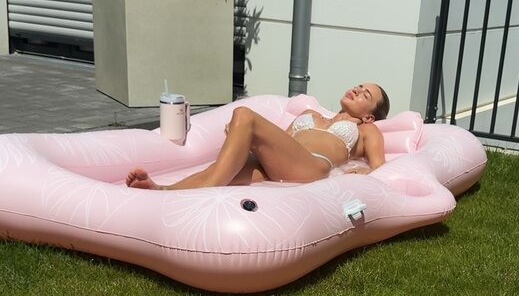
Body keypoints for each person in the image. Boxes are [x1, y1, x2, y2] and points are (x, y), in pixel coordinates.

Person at [125, 82, 390, 190]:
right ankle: (162, 190)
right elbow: (282, 142)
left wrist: (362, 172)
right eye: (358, 86)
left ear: (369, 116)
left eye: (365, 94)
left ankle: (205, 192)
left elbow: (380, 166)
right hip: (283, 165)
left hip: (313, 167)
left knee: (244, 115)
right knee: (222, 170)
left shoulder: (366, 130)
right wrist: (243, 140)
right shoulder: (310, 114)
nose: (357, 90)